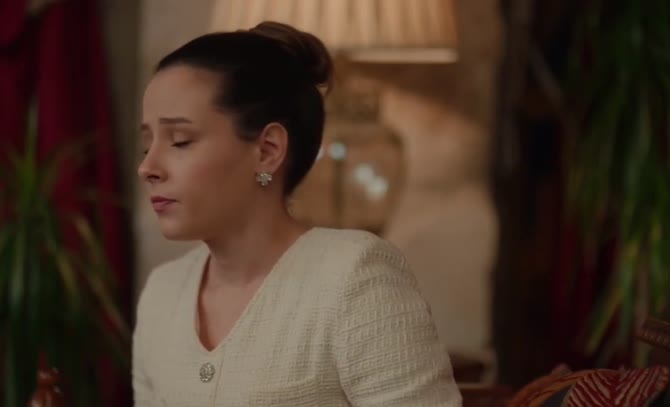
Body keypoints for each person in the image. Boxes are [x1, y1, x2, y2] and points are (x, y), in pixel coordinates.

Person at [133, 21, 462, 406]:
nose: (147, 167)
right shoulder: (163, 293)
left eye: (180, 141)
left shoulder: (354, 278)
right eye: (146, 146)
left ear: (267, 150)